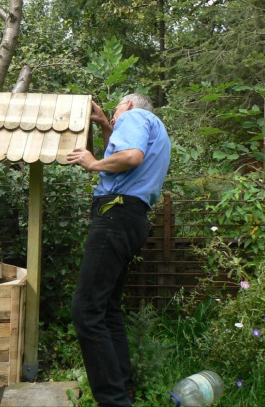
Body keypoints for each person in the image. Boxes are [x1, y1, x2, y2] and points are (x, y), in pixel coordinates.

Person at [66, 93, 171, 407]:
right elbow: (124, 153)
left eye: (114, 111)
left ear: (127, 105)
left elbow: (130, 156)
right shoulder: (155, 128)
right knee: (107, 310)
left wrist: (92, 163)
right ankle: (122, 390)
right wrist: (102, 125)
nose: (113, 116)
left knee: (85, 311)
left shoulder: (135, 117)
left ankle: (112, 401)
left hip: (115, 215)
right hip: (132, 219)